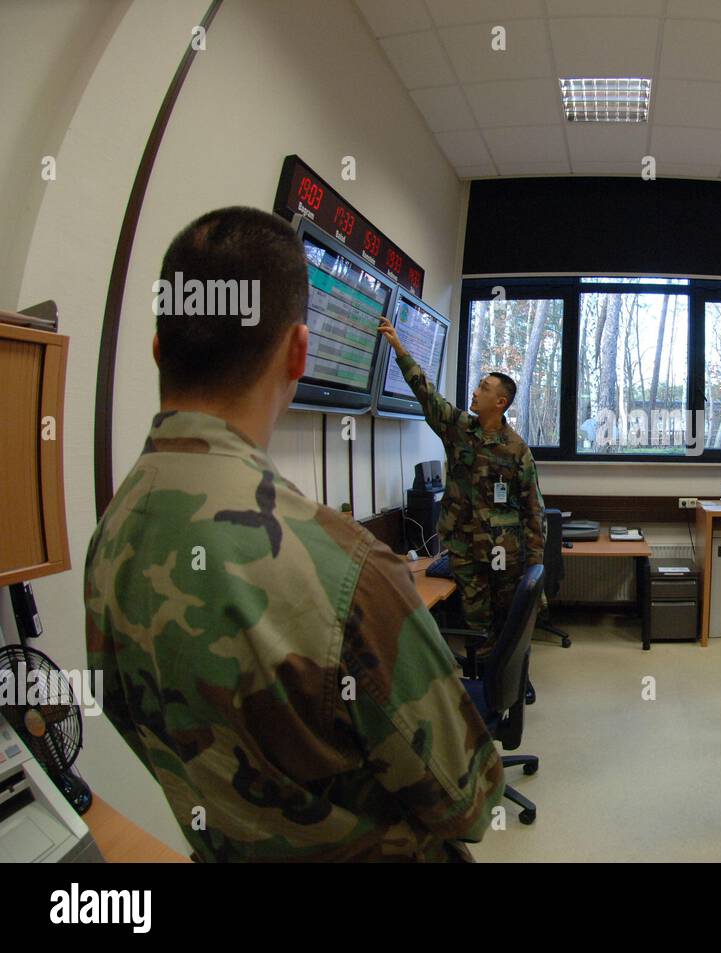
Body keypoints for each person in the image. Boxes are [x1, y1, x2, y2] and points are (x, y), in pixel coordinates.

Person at [86, 207, 502, 861]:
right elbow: (468, 800)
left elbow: (129, 717)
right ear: (300, 351)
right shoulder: (347, 567)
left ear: (159, 348)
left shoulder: (111, 535)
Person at [379, 320, 546, 649]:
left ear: (500, 402)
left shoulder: (516, 449)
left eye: (483, 388)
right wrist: (399, 349)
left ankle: (514, 680)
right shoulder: (458, 429)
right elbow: (427, 394)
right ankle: (485, 685)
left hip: (504, 553)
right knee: (476, 625)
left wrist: (535, 569)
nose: (475, 391)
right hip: (466, 552)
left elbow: (532, 509)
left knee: (510, 622)